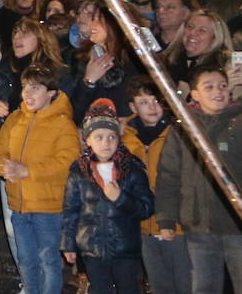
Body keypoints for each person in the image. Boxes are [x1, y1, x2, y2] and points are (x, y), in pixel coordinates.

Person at [0, 62, 80, 294]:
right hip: (20, 205)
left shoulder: (62, 124)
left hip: (47, 207)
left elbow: (68, 162)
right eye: (25, 88)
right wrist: (4, 167)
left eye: (35, 88)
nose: (27, 94)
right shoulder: (15, 119)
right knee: (26, 259)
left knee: (48, 260)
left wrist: (28, 171)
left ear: (51, 92)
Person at [154, 65, 242, 292]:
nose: (218, 92)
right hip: (199, 223)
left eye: (223, 86)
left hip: (236, 224)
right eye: (209, 87)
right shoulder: (184, 129)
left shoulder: (239, 123)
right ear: (194, 94)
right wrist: (166, 219)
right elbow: (169, 176)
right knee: (204, 285)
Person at [60, 99, 154, 292]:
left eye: (111, 137)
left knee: (128, 288)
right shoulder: (79, 171)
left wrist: (120, 198)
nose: (106, 143)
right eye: (99, 137)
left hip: (125, 248)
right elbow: (71, 210)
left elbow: (146, 207)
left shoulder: (132, 169)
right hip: (92, 247)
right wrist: (68, 244)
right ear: (88, 140)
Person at [120, 75, 191, 294]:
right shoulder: (126, 137)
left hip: (177, 224)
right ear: (133, 106)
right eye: (143, 102)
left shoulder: (178, 133)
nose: (151, 107)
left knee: (185, 281)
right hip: (142, 225)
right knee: (160, 283)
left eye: (156, 101)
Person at [67, 0, 142, 120]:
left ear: (115, 24)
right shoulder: (85, 60)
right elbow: (75, 113)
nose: (92, 25)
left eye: (98, 20)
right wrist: (88, 82)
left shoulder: (136, 62)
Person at [162, 9, 232, 89]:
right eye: (190, 27)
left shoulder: (223, 67)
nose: (192, 32)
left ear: (215, 38)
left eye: (202, 30)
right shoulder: (166, 61)